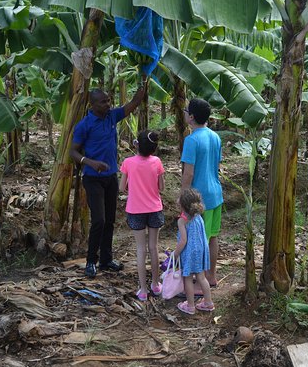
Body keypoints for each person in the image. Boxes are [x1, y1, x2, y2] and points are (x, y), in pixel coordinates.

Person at [70, 87, 145, 278]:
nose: (108, 104)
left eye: (109, 100)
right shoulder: (84, 125)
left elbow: (133, 104)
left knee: (110, 220)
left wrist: (142, 82)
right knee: (99, 220)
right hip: (92, 178)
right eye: (103, 102)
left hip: (111, 176)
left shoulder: (111, 117)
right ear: (92, 105)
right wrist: (90, 162)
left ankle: (105, 259)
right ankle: (90, 261)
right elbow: (73, 152)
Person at [181, 98, 223, 287]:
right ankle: (211, 276)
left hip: (199, 197)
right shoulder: (215, 137)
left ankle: (200, 282)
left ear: (191, 117)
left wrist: (183, 197)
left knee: (198, 240)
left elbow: (188, 173)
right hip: (216, 193)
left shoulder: (191, 140)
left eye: (186, 111)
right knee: (212, 236)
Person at [119, 130, 165, 301]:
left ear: (137, 145)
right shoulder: (157, 162)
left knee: (140, 249)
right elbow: (161, 187)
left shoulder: (128, 162)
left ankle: (143, 290)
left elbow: (122, 187)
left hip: (135, 209)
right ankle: (155, 284)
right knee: (154, 248)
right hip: (154, 208)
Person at [174, 188, 214, 315]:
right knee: (201, 277)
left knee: (188, 279)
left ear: (182, 204)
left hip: (189, 253)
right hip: (201, 250)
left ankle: (190, 306)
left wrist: (175, 254)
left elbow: (183, 240)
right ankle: (208, 303)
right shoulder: (198, 216)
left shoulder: (182, 220)